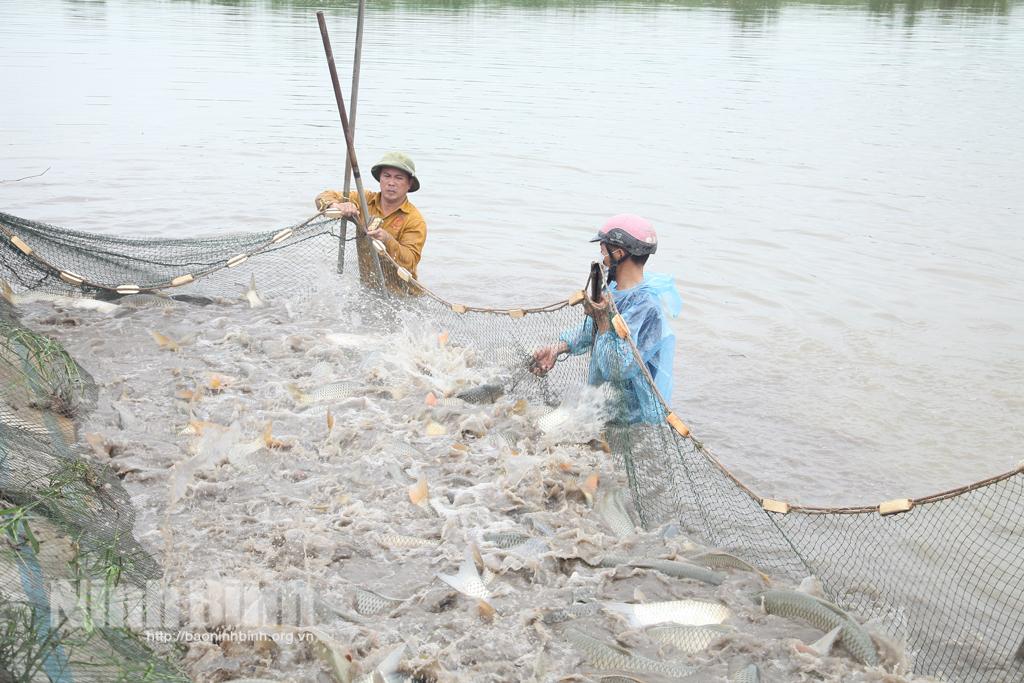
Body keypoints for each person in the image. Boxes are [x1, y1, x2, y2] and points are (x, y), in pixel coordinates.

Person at [532, 214, 681, 425]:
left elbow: (617, 369)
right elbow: (590, 332)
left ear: (619, 253)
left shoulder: (646, 307)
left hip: (628, 417)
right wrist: (558, 347)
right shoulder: (612, 289)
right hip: (601, 402)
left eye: (604, 250)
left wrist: (603, 319)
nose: (602, 256)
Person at [315, 151, 427, 280]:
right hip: (369, 286)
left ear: (409, 184)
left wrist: (387, 239)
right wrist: (337, 206)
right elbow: (322, 197)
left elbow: (410, 262)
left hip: (401, 294)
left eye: (399, 178)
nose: (391, 183)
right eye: (387, 176)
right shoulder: (364, 200)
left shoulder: (414, 220)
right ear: (380, 178)